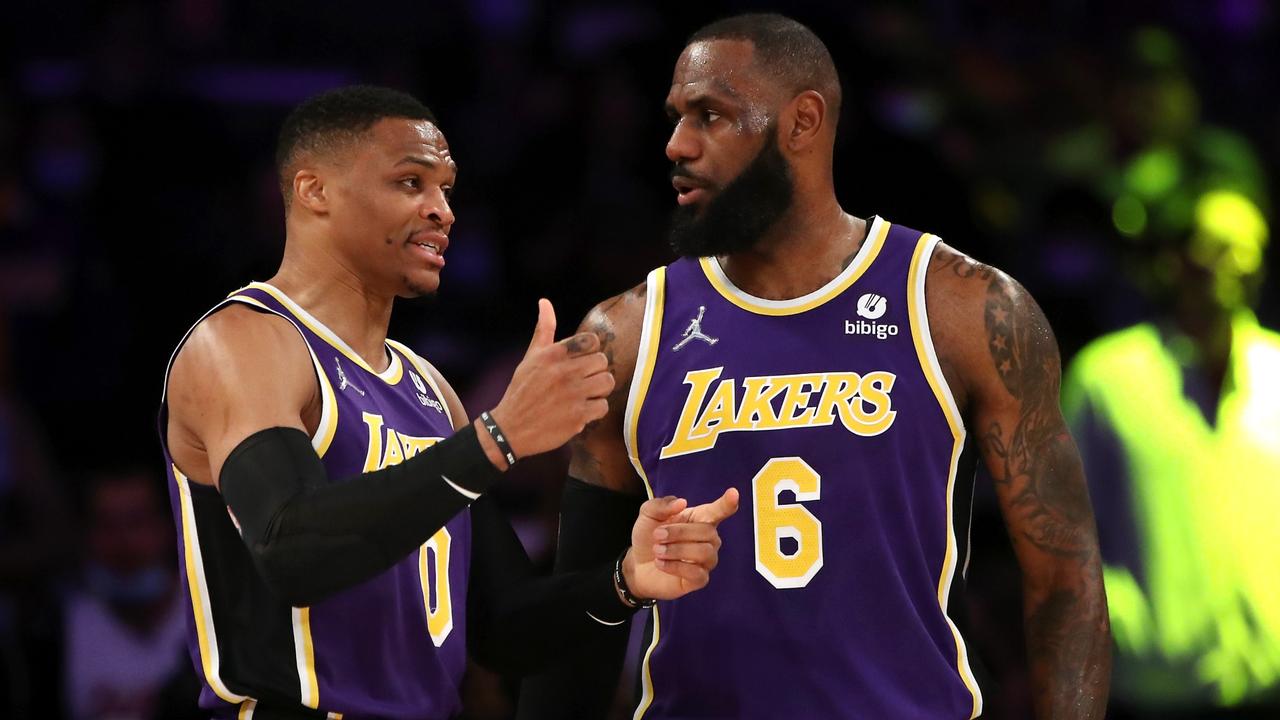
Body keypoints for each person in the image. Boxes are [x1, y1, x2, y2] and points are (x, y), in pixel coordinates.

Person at [519, 13, 1110, 720]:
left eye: (711, 115)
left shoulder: (961, 308)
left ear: (802, 123)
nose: (677, 144)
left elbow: (1066, 582)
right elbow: (584, 613)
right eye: (676, 117)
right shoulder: (626, 333)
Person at [159, 85, 738, 720]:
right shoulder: (243, 340)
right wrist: (495, 438)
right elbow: (289, 550)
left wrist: (626, 580)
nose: (442, 211)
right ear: (313, 191)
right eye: (411, 183)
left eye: (446, 189)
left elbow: (502, 628)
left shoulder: (429, 388)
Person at [1063, 188, 1280, 718]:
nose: (1242, 262)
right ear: (1175, 260)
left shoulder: (1276, 371)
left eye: (1253, 246)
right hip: (1155, 688)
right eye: (1220, 246)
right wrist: (1122, 626)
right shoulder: (1109, 378)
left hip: (1268, 682)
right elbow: (1059, 526)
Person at [62, 471, 187, 720]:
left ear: (168, 525)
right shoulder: (56, 625)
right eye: (107, 525)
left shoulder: (209, 616)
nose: (123, 542)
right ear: (86, 534)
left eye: (136, 522)